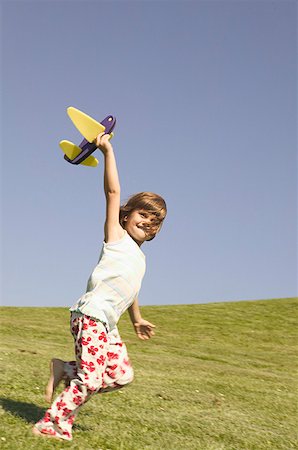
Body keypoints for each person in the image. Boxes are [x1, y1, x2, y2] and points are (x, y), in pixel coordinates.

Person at [32, 132, 167, 441]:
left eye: (155, 220)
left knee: (122, 375)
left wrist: (137, 319)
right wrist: (107, 151)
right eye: (142, 214)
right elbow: (113, 191)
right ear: (127, 215)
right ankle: (51, 424)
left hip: (108, 325)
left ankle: (65, 371)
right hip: (90, 315)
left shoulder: (140, 259)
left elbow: (129, 289)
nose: (148, 221)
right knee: (91, 380)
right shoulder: (115, 237)